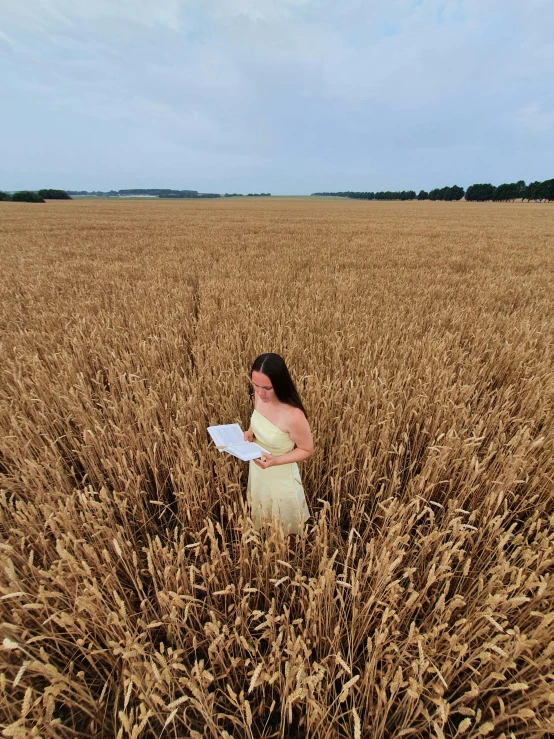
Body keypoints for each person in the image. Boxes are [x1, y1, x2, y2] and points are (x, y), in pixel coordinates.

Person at [243, 353, 313, 535]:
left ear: (280, 384)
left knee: (286, 523)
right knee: (262, 512)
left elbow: (306, 449)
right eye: (255, 385)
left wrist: (275, 461)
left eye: (267, 387)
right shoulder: (260, 396)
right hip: (259, 468)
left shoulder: (294, 416)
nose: (259, 392)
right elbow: (258, 418)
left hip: (280, 475)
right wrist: (250, 432)